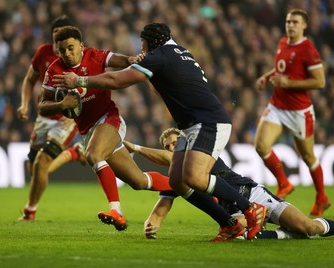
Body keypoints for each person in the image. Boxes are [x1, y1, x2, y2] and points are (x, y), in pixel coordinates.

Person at [53, 23, 268, 241]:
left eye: (143, 44)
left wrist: (78, 80)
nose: (142, 49)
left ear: (150, 42)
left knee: (195, 177)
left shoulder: (159, 56)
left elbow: (115, 80)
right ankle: (229, 225)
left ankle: (250, 208)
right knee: (177, 181)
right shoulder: (180, 51)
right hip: (192, 125)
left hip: (208, 122)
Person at [39, 25, 173, 232]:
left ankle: (116, 211)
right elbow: (42, 106)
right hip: (88, 131)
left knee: (93, 154)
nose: (67, 53)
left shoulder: (94, 56)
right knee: (138, 181)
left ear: (81, 46)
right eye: (62, 50)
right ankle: (189, 187)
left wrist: (130, 60)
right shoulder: (54, 71)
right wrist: (60, 106)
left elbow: (115, 59)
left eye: (71, 48)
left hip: (109, 120)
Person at [124, 128, 334, 240]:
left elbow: (171, 159)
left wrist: (135, 147)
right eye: (167, 146)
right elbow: (163, 206)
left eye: (174, 143)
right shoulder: (179, 177)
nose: (171, 148)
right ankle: (285, 233)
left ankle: (294, 230)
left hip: (252, 195)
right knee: (239, 235)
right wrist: (151, 225)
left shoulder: (199, 153)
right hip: (233, 213)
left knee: (309, 227)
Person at [254, 9, 330, 217]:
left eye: (295, 22)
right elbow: (282, 68)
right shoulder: (282, 42)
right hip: (277, 106)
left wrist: (290, 83)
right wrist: (267, 76)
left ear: (304, 25)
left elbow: (320, 82)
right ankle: (284, 183)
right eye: (288, 21)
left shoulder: (309, 50)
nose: (291, 25)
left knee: (308, 156)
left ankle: (322, 196)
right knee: (261, 146)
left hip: (299, 111)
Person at [17, 15, 85, 221]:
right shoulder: (42, 53)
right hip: (44, 116)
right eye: (56, 39)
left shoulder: (79, 54)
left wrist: (76, 113)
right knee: (34, 169)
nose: (60, 45)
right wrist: (24, 103)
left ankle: (30, 211)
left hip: (65, 120)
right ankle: (75, 153)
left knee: (42, 163)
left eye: (64, 40)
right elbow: (30, 79)